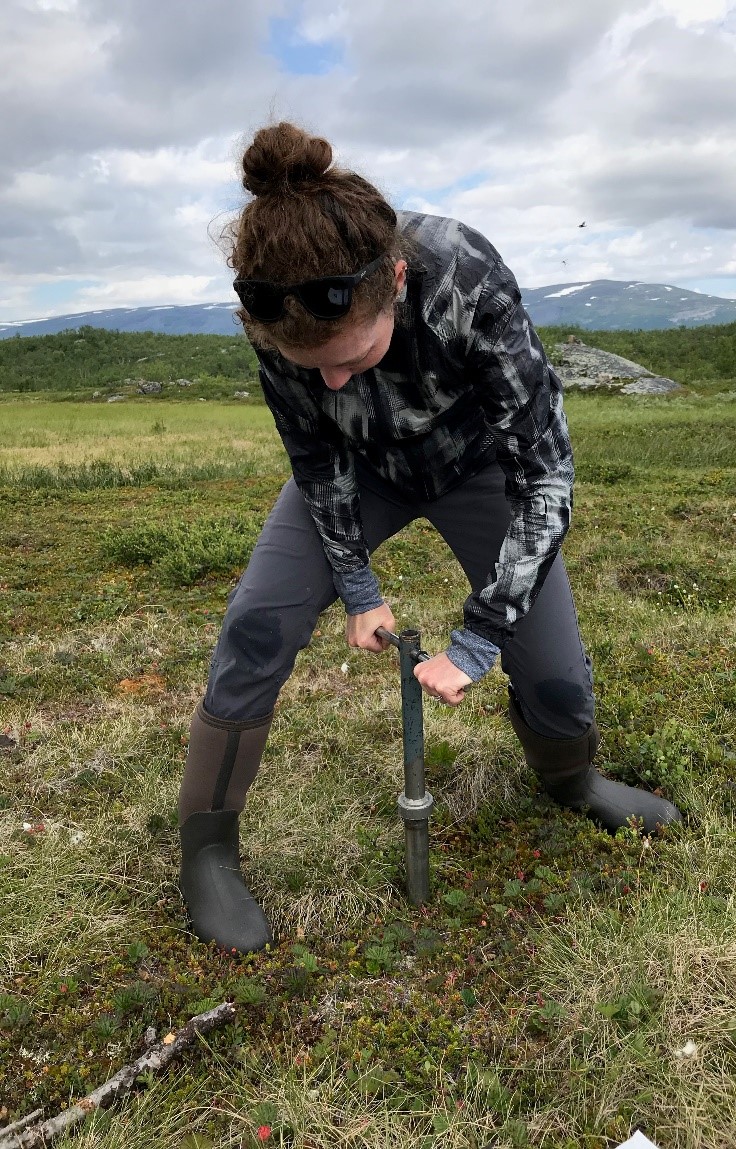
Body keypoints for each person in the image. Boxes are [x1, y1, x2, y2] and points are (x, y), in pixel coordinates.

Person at [178, 122, 681, 953]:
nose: (332, 380)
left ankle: (572, 778)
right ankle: (206, 851)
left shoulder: (465, 277)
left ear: (398, 283)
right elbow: (315, 458)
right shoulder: (274, 310)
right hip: (358, 471)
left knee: (551, 667)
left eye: (353, 356)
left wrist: (481, 636)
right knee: (255, 624)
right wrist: (357, 585)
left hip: (480, 468)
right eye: (315, 368)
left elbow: (545, 475)